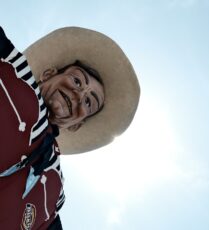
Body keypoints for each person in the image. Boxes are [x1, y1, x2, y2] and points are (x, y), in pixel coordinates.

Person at [0, 26, 140, 229]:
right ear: (48, 74)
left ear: (77, 124)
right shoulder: (10, 71)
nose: (79, 94)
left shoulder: (54, 191)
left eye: (89, 102)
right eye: (77, 80)